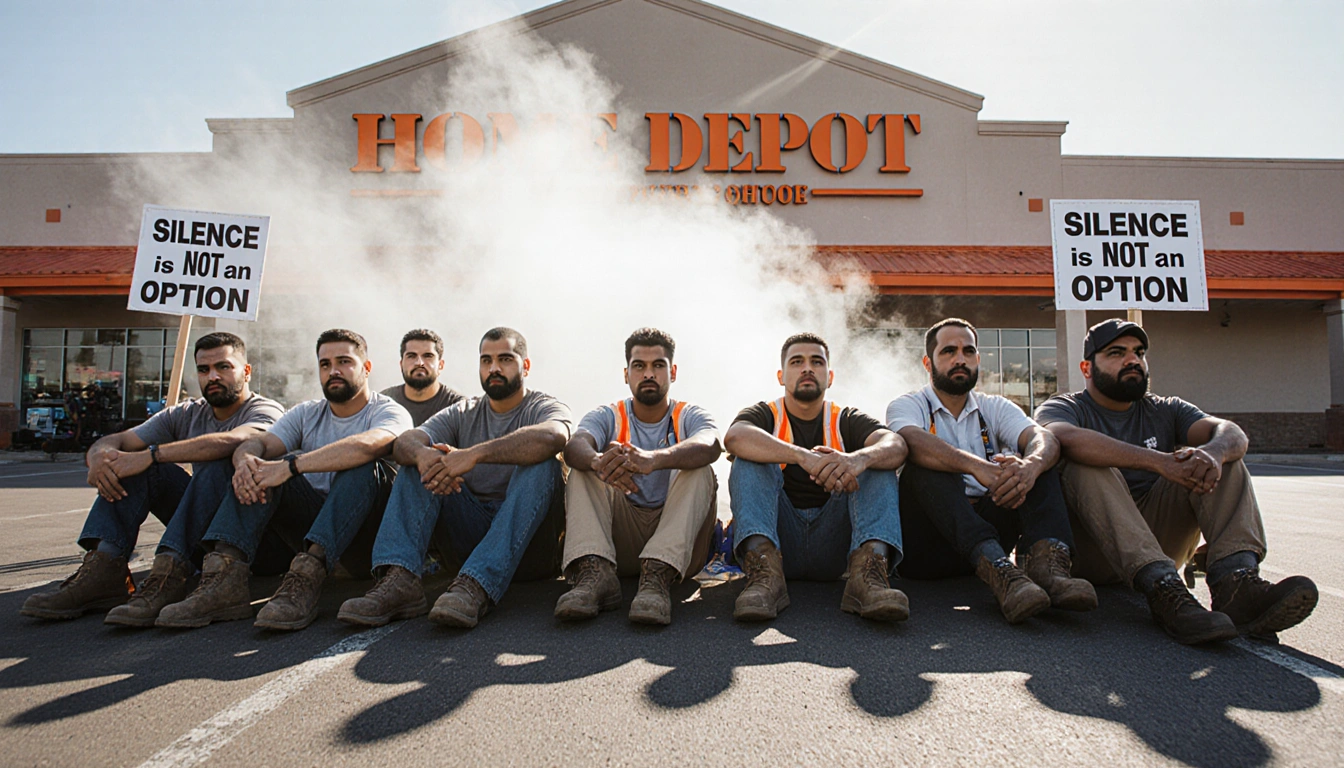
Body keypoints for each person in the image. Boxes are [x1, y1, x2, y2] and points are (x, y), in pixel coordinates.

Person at [1036, 319, 1318, 644]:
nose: (1132, 360)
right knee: (1084, 462)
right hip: (1093, 551)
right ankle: (1165, 591)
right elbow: (1062, 437)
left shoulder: (1166, 408)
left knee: (1218, 457)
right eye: (1116, 353)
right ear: (1087, 368)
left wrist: (1211, 454)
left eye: (1139, 353)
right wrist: (1161, 462)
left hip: (1159, 540)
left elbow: (1231, 432)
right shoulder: (1064, 407)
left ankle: (1235, 585)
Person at [155, 329, 412, 630]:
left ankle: (307, 577)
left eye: (345, 362)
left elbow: (369, 444)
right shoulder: (305, 413)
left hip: (364, 543)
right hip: (309, 530)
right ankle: (223, 579)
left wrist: (292, 466)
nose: (334, 371)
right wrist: (246, 462)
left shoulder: (389, 411)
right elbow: (259, 443)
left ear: (366, 368)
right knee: (263, 468)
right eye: (325, 364)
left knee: (362, 466)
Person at [20, 332, 283, 625]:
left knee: (214, 461)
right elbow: (118, 440)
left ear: (245, 372)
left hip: (262, 543)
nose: (213, 377)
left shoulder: (266, 410)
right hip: (207, 542)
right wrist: (99, 456)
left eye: (224, 367)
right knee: (139, 467)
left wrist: (150, 454)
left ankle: (169, 573)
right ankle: (105, 571)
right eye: (204, 369)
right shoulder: (185, 413)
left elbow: (233, 441)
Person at [337, 327, 571, 629]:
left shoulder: (544, 407)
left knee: (543, 464)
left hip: (531, 551)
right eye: (486, 360)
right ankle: (399, 581)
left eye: (505, 359)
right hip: (470, 533)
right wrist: (427, 458)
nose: (494, 368)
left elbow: (554, 436)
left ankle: (477, 585)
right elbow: (406, 442)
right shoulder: (463, 411)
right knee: (418, 461)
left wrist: (472, 455)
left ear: (525, 365)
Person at [886, 318, 1096, 624]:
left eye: (968, 351)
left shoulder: (995, 407)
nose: (960, 359)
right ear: (928, 363)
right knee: (927, 463)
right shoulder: (908, 405)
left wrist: (1030, 466)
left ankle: (1050, 571)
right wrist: (977, 467)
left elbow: (1043, 438)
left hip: (992, 529)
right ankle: (999, 568)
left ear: (978, 360)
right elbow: (912, 440)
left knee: (1038, 464)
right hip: (926, 552)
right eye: (948, 352)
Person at [724, 332, 908, 622]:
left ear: (829, 376)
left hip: (836, 547)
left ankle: (869, 577)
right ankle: (763, 577)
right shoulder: (765, 414)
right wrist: (802, 456)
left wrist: (856, 460)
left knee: (876, 459)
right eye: (797, 362)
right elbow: (734, 437)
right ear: (781, 375)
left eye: (816, 362)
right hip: (780, 545)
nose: (807, 368)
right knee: (747, 455)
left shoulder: (844, 417)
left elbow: (896, 445)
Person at [557, 328, 721, 626]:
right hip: (621, 540)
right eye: (639, 366)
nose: (649, 374)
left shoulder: (689, 414)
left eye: (658, 366)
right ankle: (594, 574)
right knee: (585, 467)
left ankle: (657, 577)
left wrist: (653, 460)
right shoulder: (608, 414)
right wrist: (598, 461)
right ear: (626, 373)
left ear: (672, 371)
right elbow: (575, 445)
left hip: (679, 547)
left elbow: (711, 443)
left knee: (701, 468)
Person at [380, 328, 464, 426]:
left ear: (440, 365)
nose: (419, 363)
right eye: (411, 356)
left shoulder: (458, 407)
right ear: (401, 364)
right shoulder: (384, 402)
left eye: (428, 356)